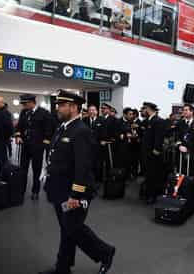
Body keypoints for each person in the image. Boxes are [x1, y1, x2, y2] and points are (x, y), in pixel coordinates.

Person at [41, 90, 115, 274]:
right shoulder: (63, 127)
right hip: (59, 189)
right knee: (67, 229)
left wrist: (76, 194)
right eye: (58, 105)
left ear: (73, 107)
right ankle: (63, 268)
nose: (57, 108)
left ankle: (105, 252)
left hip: (73, 192)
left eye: (61, 105)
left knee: (73, 228)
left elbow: (83, 167)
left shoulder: (81, 131)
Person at [15, 94, 54, 201]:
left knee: (36, 170)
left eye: (25, 103)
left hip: (37, 147)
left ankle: (35, 191)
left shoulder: (44, 113)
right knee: (23, 169)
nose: (23, 106)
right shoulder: (24, 112)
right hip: (25, 146)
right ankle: (20, 191)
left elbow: (49, 129)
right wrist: (18, 135)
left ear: (32, 102)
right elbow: (19, 126)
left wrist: (44, 144)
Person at [140, 102, 165, 204]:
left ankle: (152, 196)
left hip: (153, 153)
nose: (143, 111)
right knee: (148, 174)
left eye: (145, 109)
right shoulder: (148, 120)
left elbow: (159, 137)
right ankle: (148, 193)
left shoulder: (158, 121)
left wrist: (156, 150)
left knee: (153, 175)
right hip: (146, 152)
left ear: (149, 109)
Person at [0, 96, 14, 180]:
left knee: (3, 161)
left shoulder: (4, 113)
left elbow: (9, 128)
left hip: (1, 141)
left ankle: (3, 179)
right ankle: (1, 178)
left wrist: (5, 139)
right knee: (2, 161)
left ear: (2, 103)